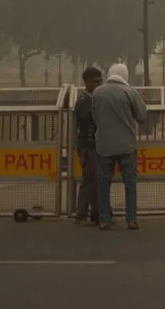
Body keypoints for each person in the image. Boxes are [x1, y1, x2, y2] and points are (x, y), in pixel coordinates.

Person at [91, 63, 148, 231]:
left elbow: (95, 118)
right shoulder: (130, 92)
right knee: (130, 183)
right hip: (126, 145)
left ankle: (104, 220)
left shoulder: (97, 92)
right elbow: (142, 117)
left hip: (104, 145)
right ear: (125, 75)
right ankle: (131, 219)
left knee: (104, 183)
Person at [72, 66, 102, 225]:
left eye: (100, 81)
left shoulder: (94, 99)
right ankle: (81, 213)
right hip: (87, 145)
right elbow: (89, 118)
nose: (99, 84)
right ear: (87, 82)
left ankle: (97, 213)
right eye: (96, 81)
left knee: (96, 180)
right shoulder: (84, 101)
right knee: (89, 179)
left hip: (95, 145)